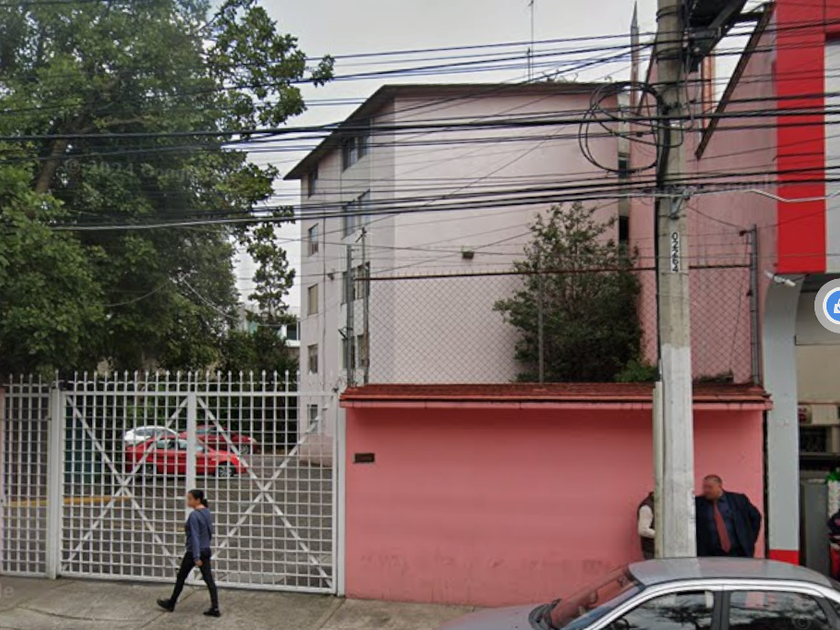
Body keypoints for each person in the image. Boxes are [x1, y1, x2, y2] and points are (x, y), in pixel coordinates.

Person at [157, 489, 221, 617]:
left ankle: (171, 603)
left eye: (190, 499)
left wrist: (196, 556)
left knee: (181, 577)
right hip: (205, 549)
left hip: (194, 552)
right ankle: (215, 607)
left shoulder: (194, 516)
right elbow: (210, 530)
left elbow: (195, 537)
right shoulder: (207, 512)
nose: (188, 501)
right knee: (209, 579)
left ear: (197, 500)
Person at [695, 474, 761, 558]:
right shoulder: (698, 503)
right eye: (704, 487)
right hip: (711, 555)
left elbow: (756, 517)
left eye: (710, 487)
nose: (706, 490)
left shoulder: (738, 500)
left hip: (738, 553)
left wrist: (749, 540)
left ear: (719, 486)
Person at [637, 491, 655, 560]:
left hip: (661, 549)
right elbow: (643, 530)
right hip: (651, 551)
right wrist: (663, 536)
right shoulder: (646, 507)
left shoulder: (659, 504)